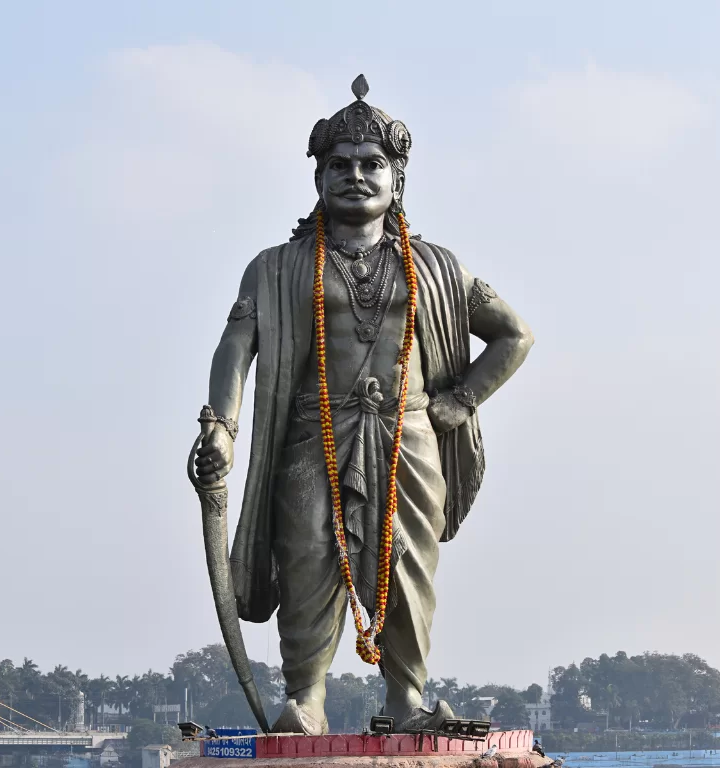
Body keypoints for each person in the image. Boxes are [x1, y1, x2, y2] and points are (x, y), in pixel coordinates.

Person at [189, 75, 533, 735]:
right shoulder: (278, 266)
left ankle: (406, 699)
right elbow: (237, 344)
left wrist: (462, 399)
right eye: (339, 165)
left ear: (396, 178)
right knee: (308, 558)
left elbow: (514, 335)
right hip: (313, 433)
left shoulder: (436, 268)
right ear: (318, 180)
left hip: (411, 437)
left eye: (372, 164)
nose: (355, 176)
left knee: (407, 563)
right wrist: (221, 428)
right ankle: (306, 699)